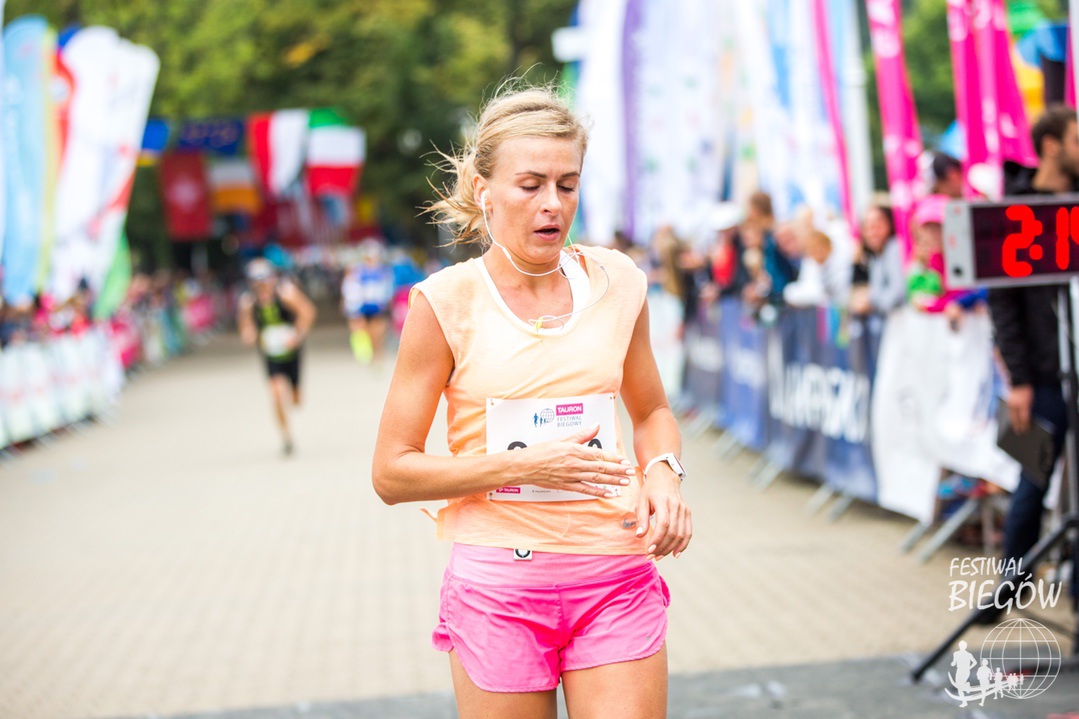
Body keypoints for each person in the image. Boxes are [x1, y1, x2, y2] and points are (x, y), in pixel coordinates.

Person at [372, 85, 691, 719]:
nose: (553, 204)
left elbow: (653, 411)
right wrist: (523, 466)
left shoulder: (619, 283)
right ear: (484, 190)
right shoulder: (445, 303)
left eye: (567, 185)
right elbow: (391, 472)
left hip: (614, 574)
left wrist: (663, 472)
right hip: (499, 589)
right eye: (531, 185)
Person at [986, 104, 1079, 615]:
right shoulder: (1014, 208)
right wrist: (1018, 378)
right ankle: (1010, 584)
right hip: (1041, 377)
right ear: (1051, 146)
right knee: (1033, 479)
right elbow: (1003, 303)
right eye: (1076, 141)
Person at [237, 258, 316, 456]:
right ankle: (286, 436)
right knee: (276, 392)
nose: (262, 285)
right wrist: (249, 334)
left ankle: (293, 392)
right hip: (270, 354)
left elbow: (307, 312)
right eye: (257, 281)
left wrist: (297, 334)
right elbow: (246, 327)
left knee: (296, 400)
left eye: (264, 280)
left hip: (292, 352)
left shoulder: (286, 293)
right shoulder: (248, 302)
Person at [341, 240, 395, 365]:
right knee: (361, 330)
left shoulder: (383, 271)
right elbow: (351, 289)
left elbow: (388, 289)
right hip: (363, 306)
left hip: (377, 306)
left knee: (377, 333)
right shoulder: (359, 271)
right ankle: (368, 354)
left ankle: (377, 356)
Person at [849, 203, 905, 316]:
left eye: (876, 226)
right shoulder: (875, 256)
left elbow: (898, 293)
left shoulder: (893, 248)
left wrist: (870, 302)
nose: (872, 233)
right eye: (867, 228)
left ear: (889, 224)